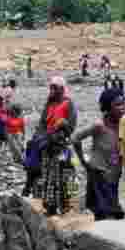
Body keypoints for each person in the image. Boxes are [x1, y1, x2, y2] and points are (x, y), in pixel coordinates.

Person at [73, 88, 125, 221]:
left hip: (114, 176)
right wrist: (84, 162)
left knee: (113, 213)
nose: (122, 108)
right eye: (118, 105)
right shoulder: (99, 126)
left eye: (123, 104)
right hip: (99, 174)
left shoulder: (124, 125)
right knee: (106, 213)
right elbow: (76, 138)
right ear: (108, 107)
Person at [36, 76, 78, 216]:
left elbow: (71, 126)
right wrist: (42, 137)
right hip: (48, 146)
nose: (52, 90)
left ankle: (65, 206)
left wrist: (58, 132)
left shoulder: (68, 104)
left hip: (61, 146)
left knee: (63, 176)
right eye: (51, 87)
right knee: (48, 176)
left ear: (61, 89)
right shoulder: (49, 104)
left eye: (55, 87)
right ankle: (50, 206)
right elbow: (42, 123)